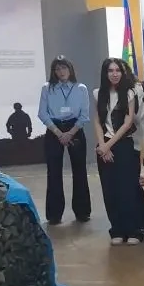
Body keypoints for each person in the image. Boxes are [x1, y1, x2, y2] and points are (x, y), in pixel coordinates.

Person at [93, 58, 142, 245]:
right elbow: (97, 121)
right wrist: (102, 145)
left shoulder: (129, 93)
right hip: (104, 145)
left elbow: (128, 123)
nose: (114, 74)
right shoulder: (98, 93)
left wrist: (108, 145)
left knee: (127, 189)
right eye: (110, 71)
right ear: (105, 73)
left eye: (118, 70)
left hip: (123, 144)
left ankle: (133, 230)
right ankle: (117, 230)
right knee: (109, 188)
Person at [38, 57, 91, 226]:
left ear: (70, 69)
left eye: (64, 68)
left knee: (80, 171)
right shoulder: (47, 88)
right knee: (53, 172)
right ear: (54, 72)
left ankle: (82, 212)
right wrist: (59, 133)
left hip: (75, 128)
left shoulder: (81, 88)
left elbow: (84, 115)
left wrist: (70, 133)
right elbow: (42, 113)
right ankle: (54, 214)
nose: (61, 72)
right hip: (54, 129)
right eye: (58, 69)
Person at [121, 60, 144, 235]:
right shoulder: (110, 92)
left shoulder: (135, 90)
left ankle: (143, 220)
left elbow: (139, 118)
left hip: (132, 141)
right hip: (118, 143)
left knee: (133, 184)